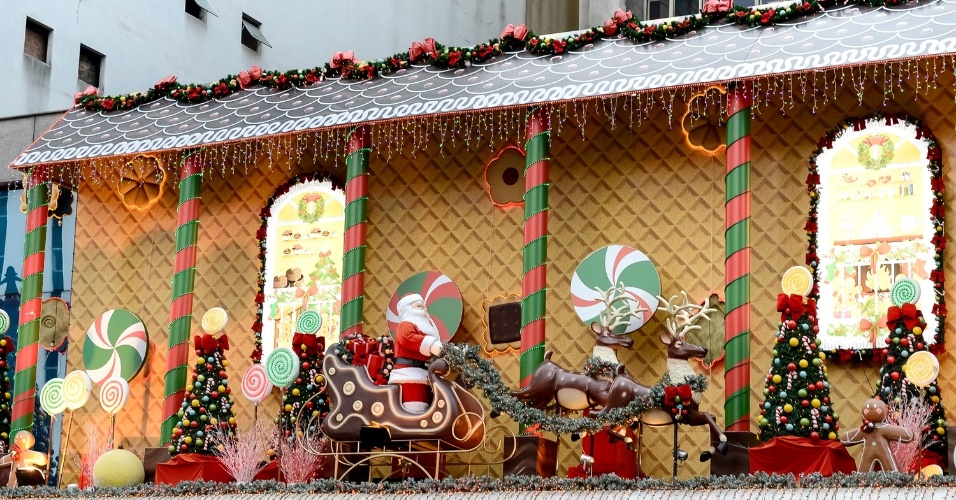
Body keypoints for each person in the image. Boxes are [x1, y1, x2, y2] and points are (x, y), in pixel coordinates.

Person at [388, 294, 442, 412]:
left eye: (424, 307)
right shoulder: (405, 324)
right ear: (407, 309)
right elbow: (407, 338)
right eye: (418, 306)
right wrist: (431, 344)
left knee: (425, 407)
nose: (423, 309)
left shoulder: (425, 329)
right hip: (408, 375)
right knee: (414, 408)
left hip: (424, 375)